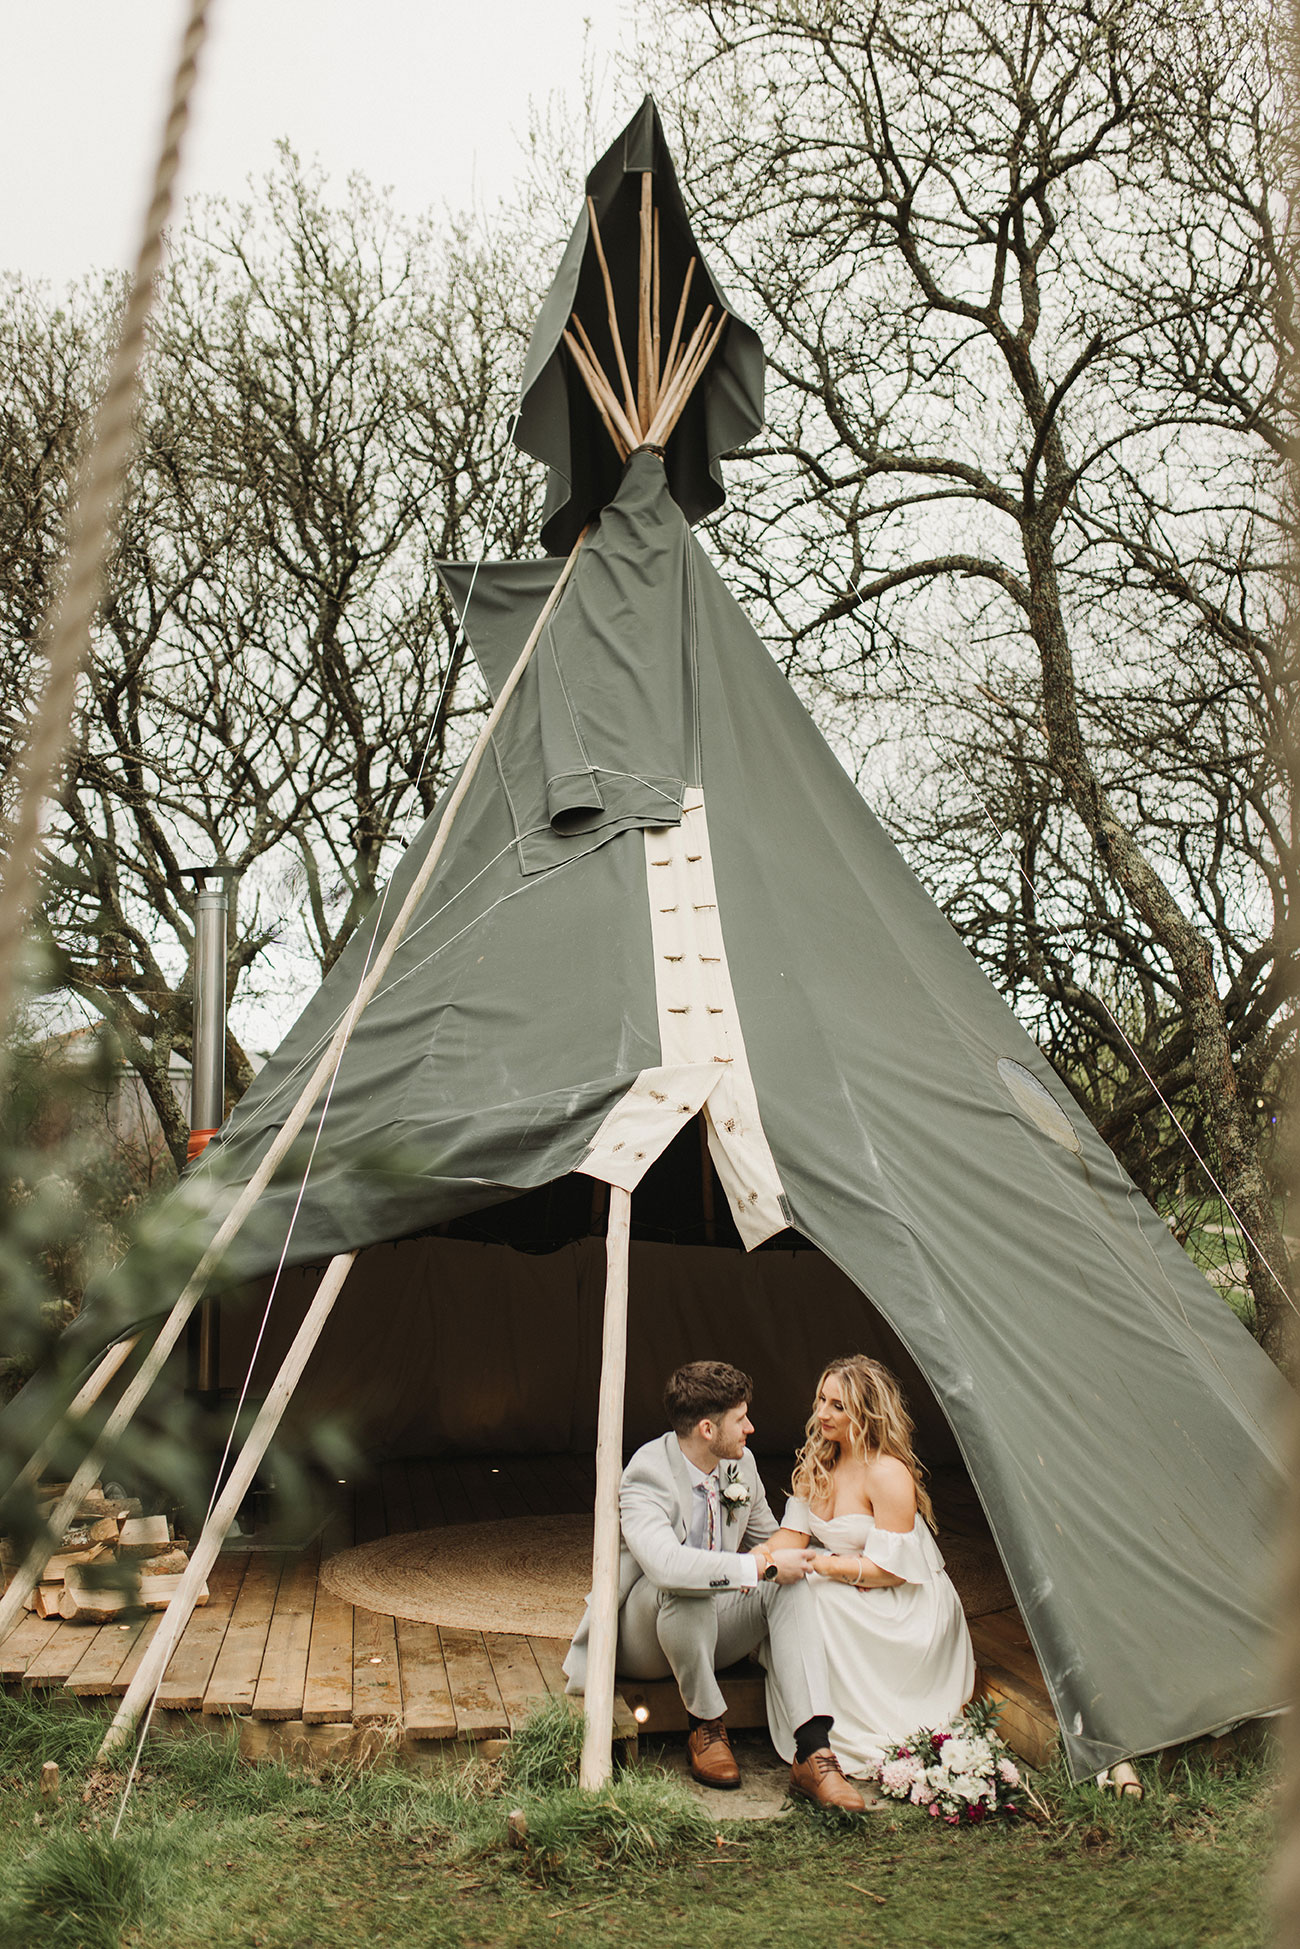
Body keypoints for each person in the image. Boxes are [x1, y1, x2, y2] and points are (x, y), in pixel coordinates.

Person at [564, 1359, 867, 1808]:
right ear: (708, 1429)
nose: (750, 1427)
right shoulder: (646, 1473)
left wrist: (826, 1563)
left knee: (790, 1583)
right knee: (685, 1585)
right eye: (740, 1419)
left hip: (712, 1626)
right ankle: (705, 1725)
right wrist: (758, 1568)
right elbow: (666, 1566)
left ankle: (813, 1751)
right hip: (642, 1638)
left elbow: (769, 1541)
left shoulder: (739, 1466)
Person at [762, 1353, 976, 1777]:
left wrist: (827, 1568)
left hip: (902, 1600)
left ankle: (830, 1735)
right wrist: (752, 1564)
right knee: (783, 1589)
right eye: (821, 1400)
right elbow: (793, 1536)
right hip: (851, 1576)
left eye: (837, 1406)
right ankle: (815, 1722)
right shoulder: (818, 1461)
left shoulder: (887, 1473)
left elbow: (892, 1570)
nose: (822, 1413)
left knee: (811, 1598)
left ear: (866, 1413)